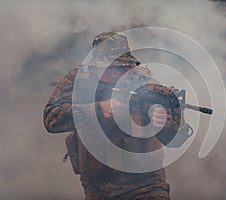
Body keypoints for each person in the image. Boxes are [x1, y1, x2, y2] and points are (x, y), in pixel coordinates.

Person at [43, 31, 176, 200]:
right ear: (95, 67)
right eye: (109, 68)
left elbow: (176, 138)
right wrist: (97, 109)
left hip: (145, 185)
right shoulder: (77, 81)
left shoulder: (145, 83)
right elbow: (51, 119)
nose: (115, 74)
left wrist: (165, 123)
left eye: (120, 67)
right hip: (98, 188)